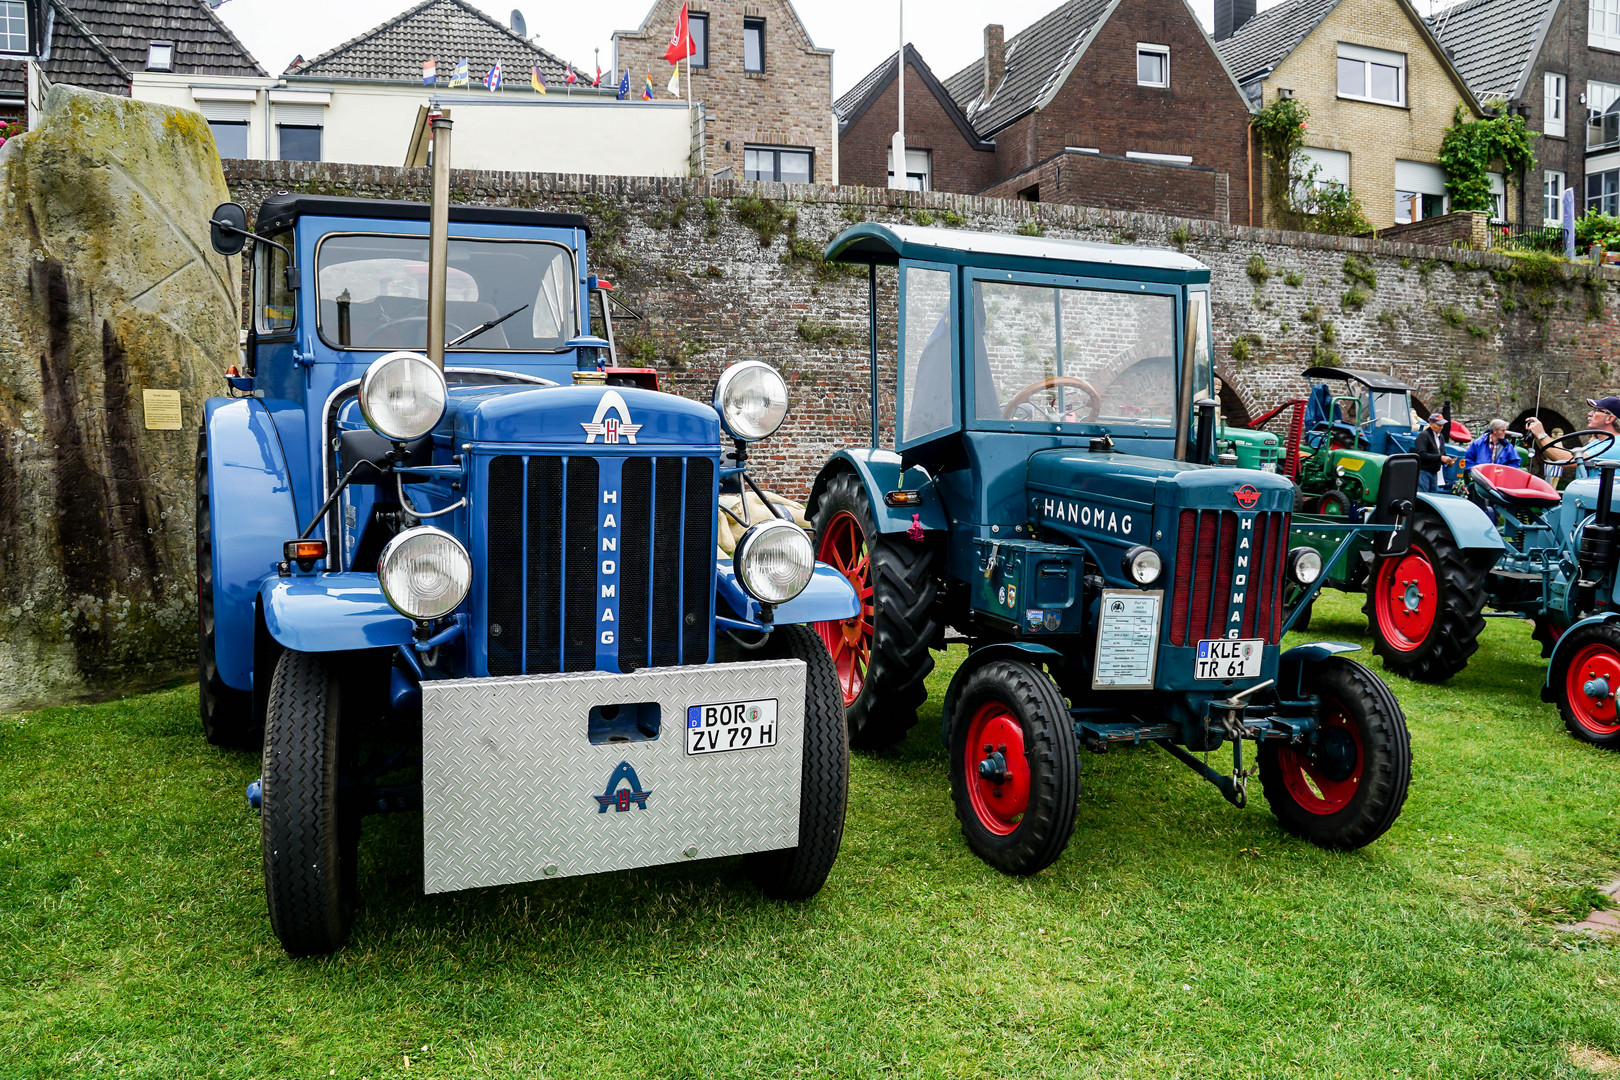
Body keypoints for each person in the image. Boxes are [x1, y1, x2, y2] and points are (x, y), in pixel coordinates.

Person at [1527, 397, 1620, 478]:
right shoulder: (1601, 442)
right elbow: (1560, 456)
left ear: (1609, 419)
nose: (1590, 413)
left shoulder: (1615, 445)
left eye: (1596, 410)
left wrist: (1541, 435)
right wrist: (1537, 435)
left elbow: (1570, 460)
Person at [1412, 412, 1455, 492]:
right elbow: (1421, 454)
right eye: (1439, 425)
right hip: (1423, 472)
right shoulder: (1423, 435)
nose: (1441, 427)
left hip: (1434, 473)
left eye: (1442, 425)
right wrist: (1441, 458)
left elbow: (1442, 454)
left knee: (1433, 496)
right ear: (1431, 424)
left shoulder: (1440, 437)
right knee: (1423, 496)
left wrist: (1448, 462)